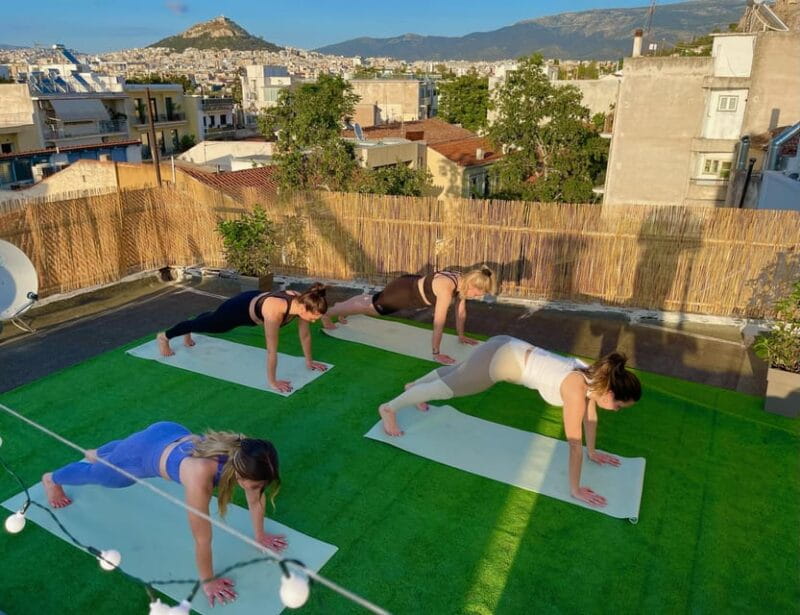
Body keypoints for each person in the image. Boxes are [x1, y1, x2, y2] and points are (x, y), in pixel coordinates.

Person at [378, 336, 642, 508]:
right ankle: (389, 408)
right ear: (609, 393)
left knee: (457, 373)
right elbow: (574, 444)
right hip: (500, 360)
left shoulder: (592, 376)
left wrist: (593, 452)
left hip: (506, 345)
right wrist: (575, 489)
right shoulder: (576, 390)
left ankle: (414, 387)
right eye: (619, 405)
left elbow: (590, 418)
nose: (617, 410)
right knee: (451, 387)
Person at [42, 421, 283, 607]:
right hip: (143, 454)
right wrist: (208, 581)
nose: (256, 490)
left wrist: (260, 536)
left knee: (123, 451)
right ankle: (52, 479)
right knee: (100, 476)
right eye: (254, 485)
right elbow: (202, 538)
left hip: (167, 431)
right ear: (239, 472)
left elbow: (255, 497)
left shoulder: (248, 451)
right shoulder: (199, 474)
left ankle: (99, 453)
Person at [157, 284, 329, 393]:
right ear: (304, 309)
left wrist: (309, 361)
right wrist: (273, 382)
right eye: (313, 317)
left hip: (253, 300)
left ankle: (192, 325)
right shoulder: (274, 313)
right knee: (215, 326)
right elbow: (271, 350)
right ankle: (164, 337)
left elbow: (305, 335)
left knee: (209, 321)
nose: (314, 321)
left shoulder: (304, 301)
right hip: (239, 309)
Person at [321, 268, 496, 365]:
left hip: (408, 283)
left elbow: (461, 311)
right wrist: (436, 353)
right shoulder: (446, 288)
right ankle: (327, 313)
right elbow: (439, 322)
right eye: (478, 293)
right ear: (472, 285)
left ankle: (342, 308)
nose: (477, 296)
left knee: (371, 302)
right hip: (403, 293)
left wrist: (461, 335)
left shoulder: (462, 280)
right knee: (372, 309)